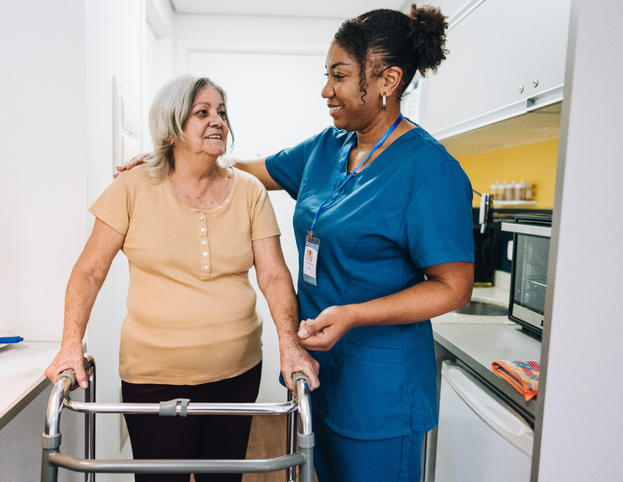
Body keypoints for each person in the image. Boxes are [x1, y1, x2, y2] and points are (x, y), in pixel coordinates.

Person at [120, 6, 474, 481]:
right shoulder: (330, 146)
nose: (326, 90)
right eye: (326, 75)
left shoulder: (430, 170)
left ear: (388, 80)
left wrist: (354, 314)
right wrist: (173, 158)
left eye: (340, 75)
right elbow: (244, 171)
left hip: (380, 386)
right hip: (314, 368)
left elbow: (454, 286)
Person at [45, 75, 319, 482]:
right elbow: (88, 272)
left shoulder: (249, 192)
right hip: (153, 377)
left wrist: (290, 346)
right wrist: (70, 344)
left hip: (237, 374)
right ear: (172, 126)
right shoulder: (132, 188)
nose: (218, 122)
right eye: (202, 112)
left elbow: (275, 275)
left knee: (224, 479)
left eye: (222, 113)